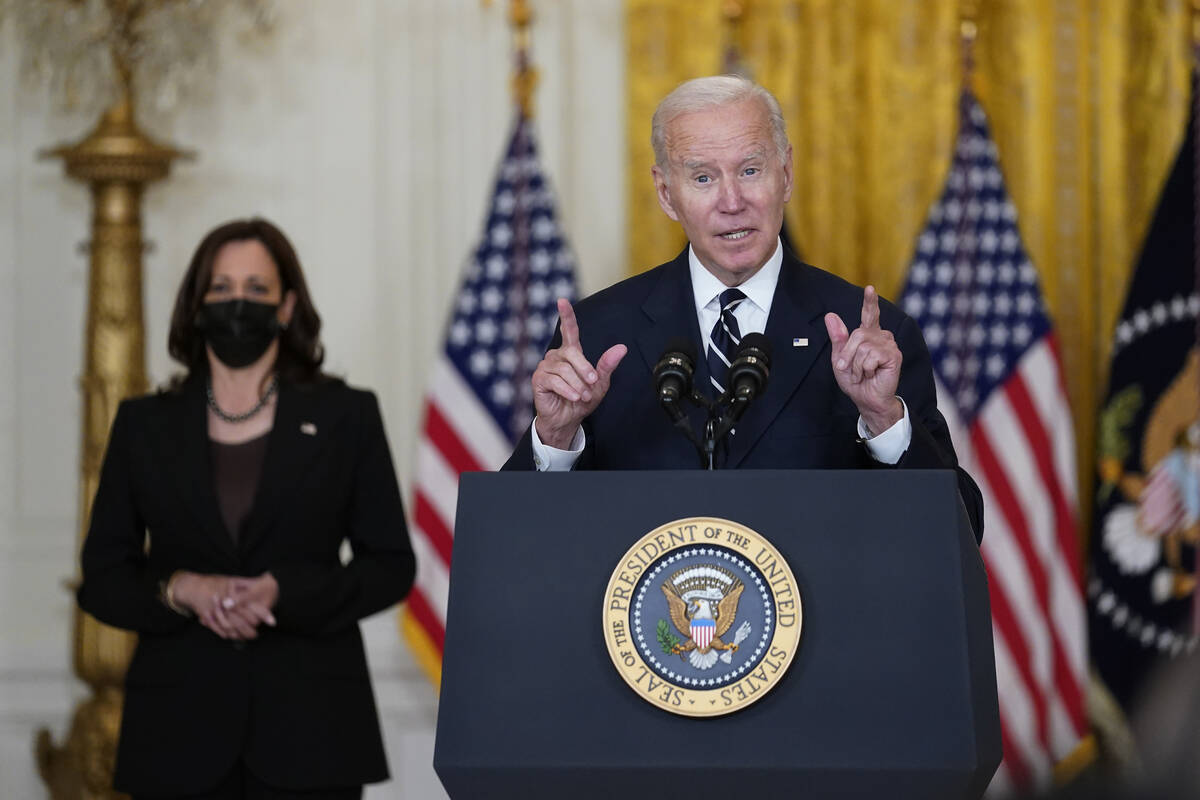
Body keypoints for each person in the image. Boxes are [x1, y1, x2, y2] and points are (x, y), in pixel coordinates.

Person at [502, 75, 983, 541]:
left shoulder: (870, 335)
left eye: (751, 170)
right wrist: (555, 438)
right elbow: (516, 538)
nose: (732, 202)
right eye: (703, 177)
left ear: (787, 174)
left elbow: (961, 530)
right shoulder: (598, 335)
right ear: (667, 194)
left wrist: (884, 420)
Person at [76, 218, 415, 799]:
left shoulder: (346, 416)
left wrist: (283, 591)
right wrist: (181, 588)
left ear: (286, 306)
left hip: (313, 734)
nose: (239, 303)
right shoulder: (143, 424)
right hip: (176, 736)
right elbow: (103, 578)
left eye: (257, 290)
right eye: (222, 289)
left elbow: (389, 566)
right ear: (198, 305)